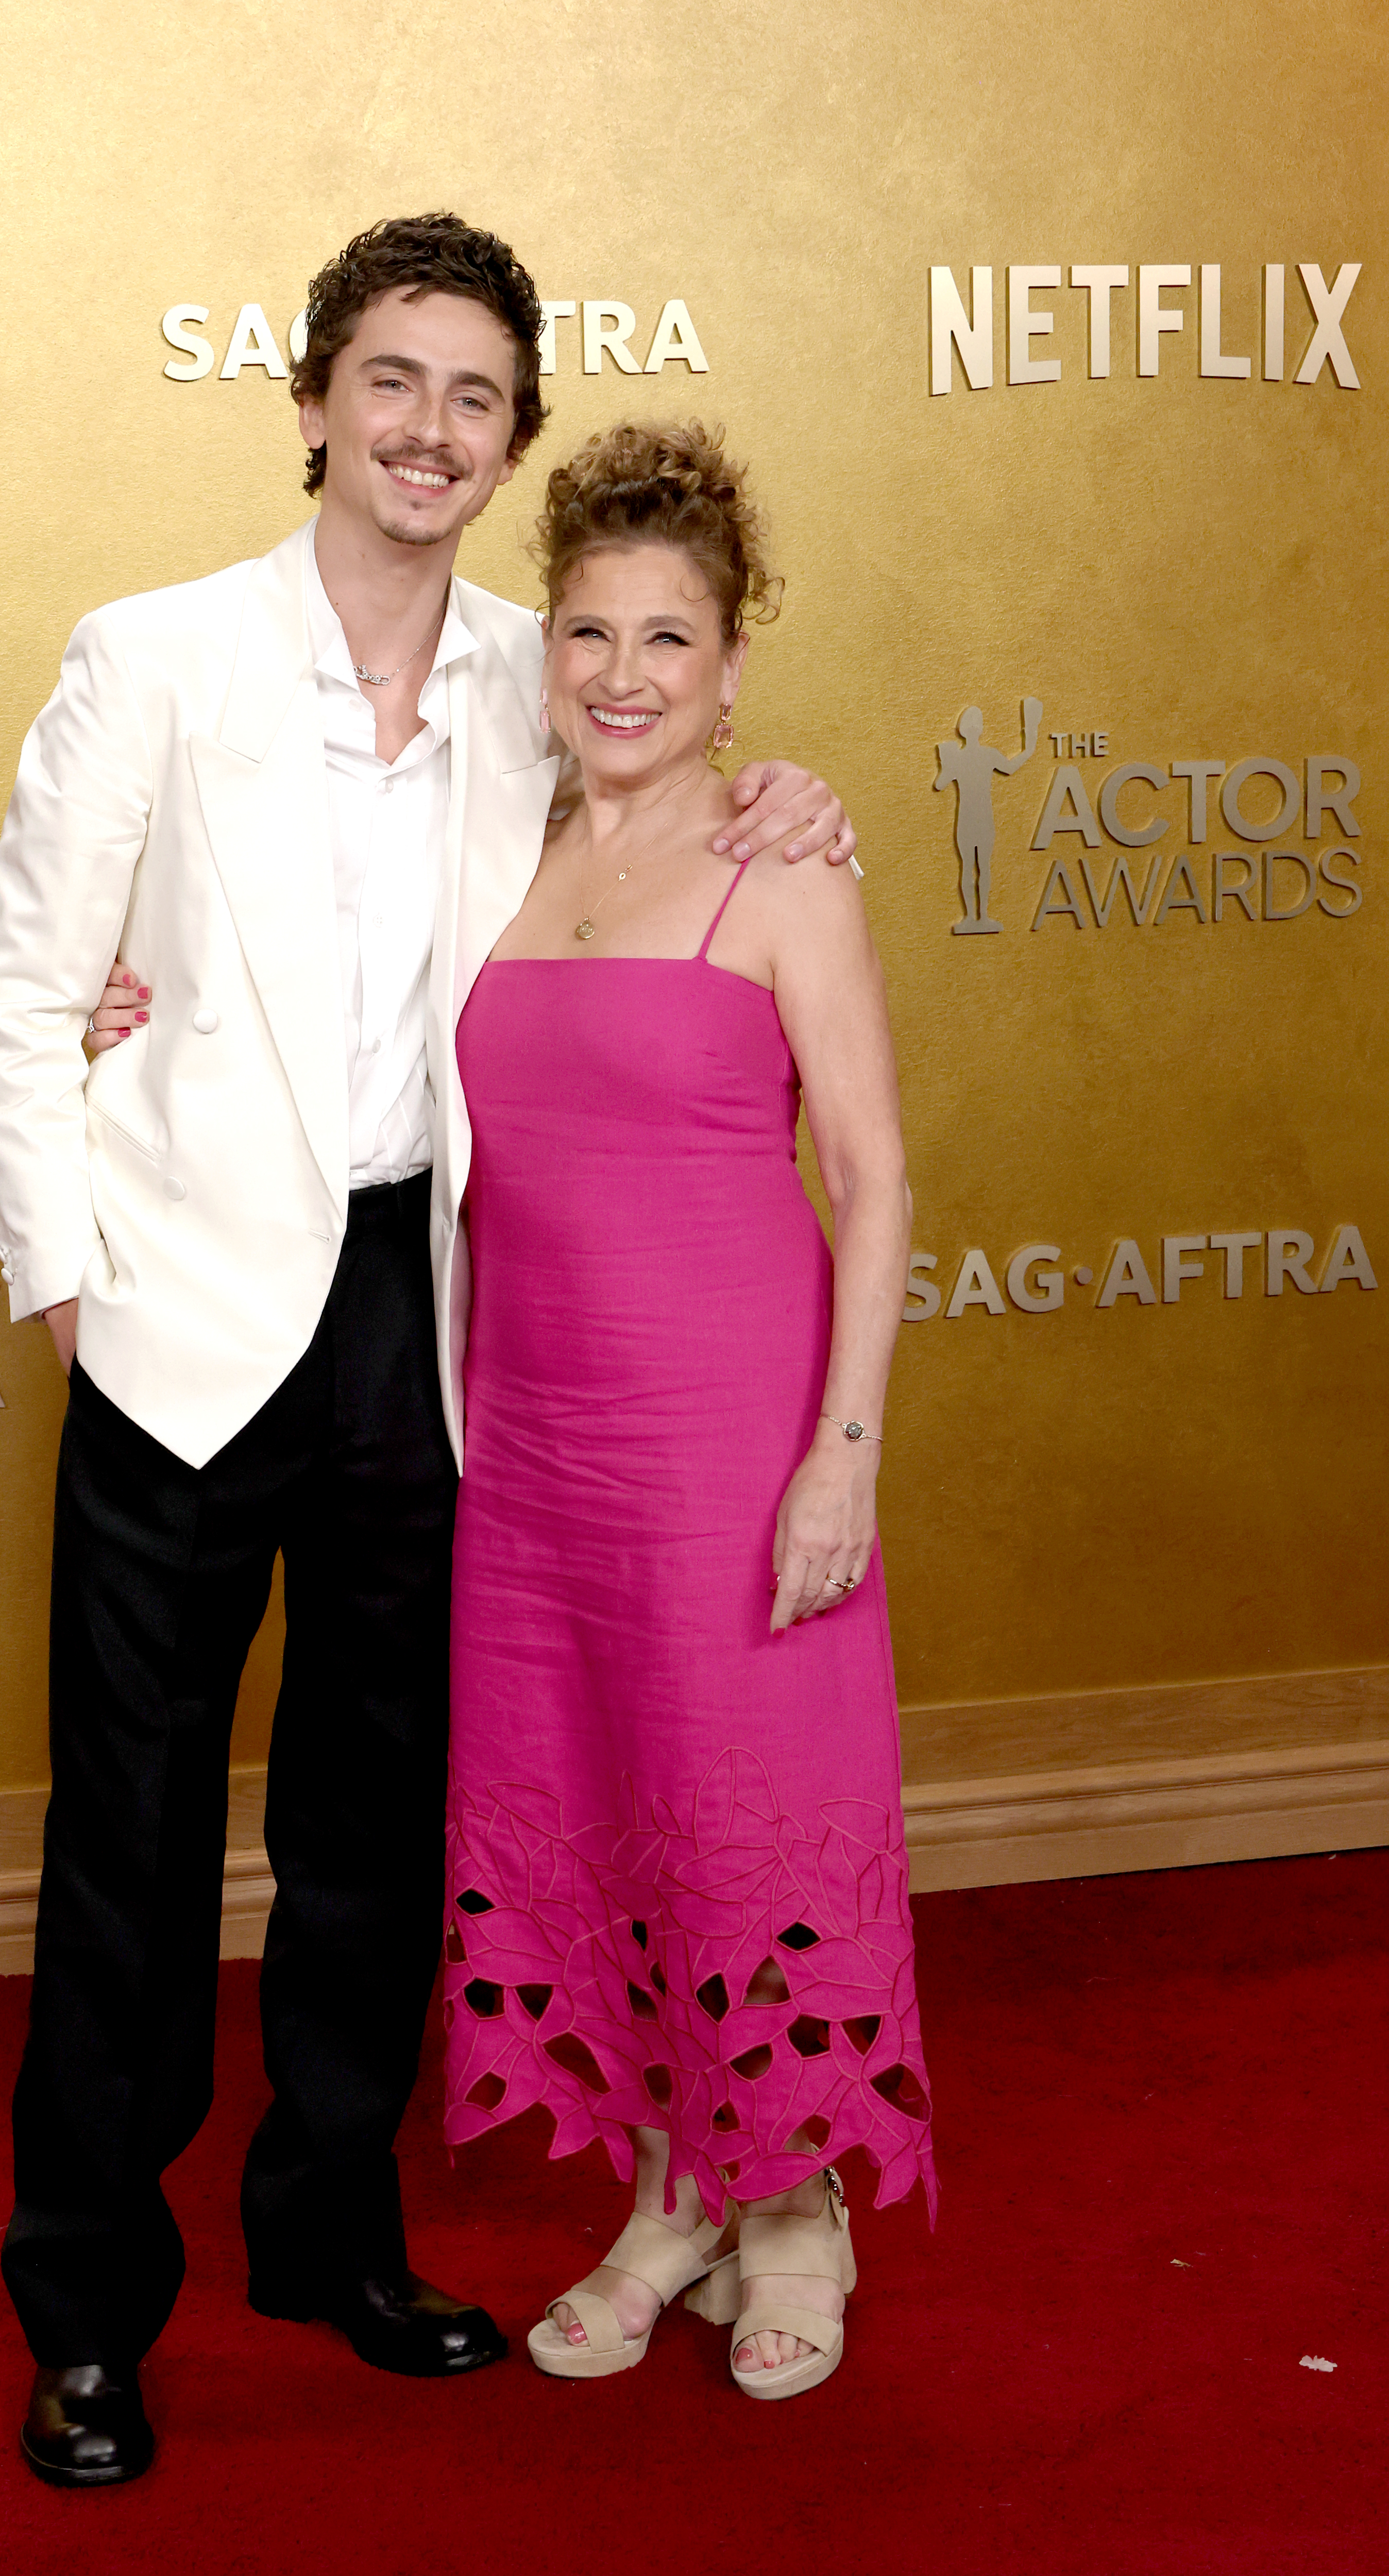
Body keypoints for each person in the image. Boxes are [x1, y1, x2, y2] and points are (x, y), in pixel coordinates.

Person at [0, 213, 857, 2488]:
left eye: (474, 394)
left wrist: (791, 799)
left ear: (512, 436)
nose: (428, 426)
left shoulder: (527, 676)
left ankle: (331, 2237)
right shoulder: (147, 656)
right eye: (391, 379)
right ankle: (87, 2303)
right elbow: (24, 983)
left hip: (427, 1316)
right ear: (312, 404)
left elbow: (659, 835)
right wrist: (70, 1268)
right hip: (179, 1318)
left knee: (379, 1827)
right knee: (133, 1843)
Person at [438, 420, 937, 2399]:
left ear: (733, 668)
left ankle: (794, 2205)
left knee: (753, 1818)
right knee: (612, 1809)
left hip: (737, 1436)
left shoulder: (781, 866)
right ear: (539, 654)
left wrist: (843, 1453)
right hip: (533, 1452)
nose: (625, 676)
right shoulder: (493, 852)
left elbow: (880, 1179)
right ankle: (669, 2197)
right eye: (587, 635)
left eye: (669, 639)